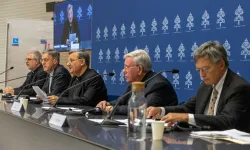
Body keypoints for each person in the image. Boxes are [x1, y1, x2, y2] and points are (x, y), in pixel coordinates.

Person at [147, 41, 250, 133]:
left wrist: (186, 117)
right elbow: (187, 107)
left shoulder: (239, 88)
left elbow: (227, 121)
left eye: (205, 69)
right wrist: (161, 110)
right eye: (198, 70)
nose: (201, 75)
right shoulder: (206, 86)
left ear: (221, 65)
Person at [96, 49, 178, 115]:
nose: (123, 71)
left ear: (139, 69)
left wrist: (111, 109)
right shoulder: (135, 83)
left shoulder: (158, 85)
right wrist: (106, 104)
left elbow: (141, 110)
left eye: (127, 67)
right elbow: (120, 102)